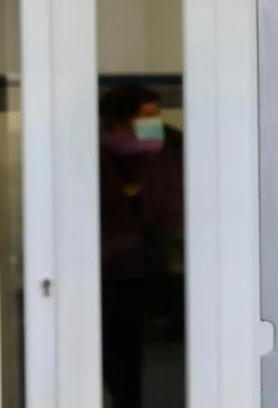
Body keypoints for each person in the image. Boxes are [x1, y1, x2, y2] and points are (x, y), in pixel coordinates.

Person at [99, 85, 185, 407]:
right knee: (122, 361)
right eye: (147, 115)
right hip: (112, 275)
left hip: (160, 269)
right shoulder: (97, 158)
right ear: (120, 122)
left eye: (157, 114)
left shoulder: (172, 148)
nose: (156, 123)